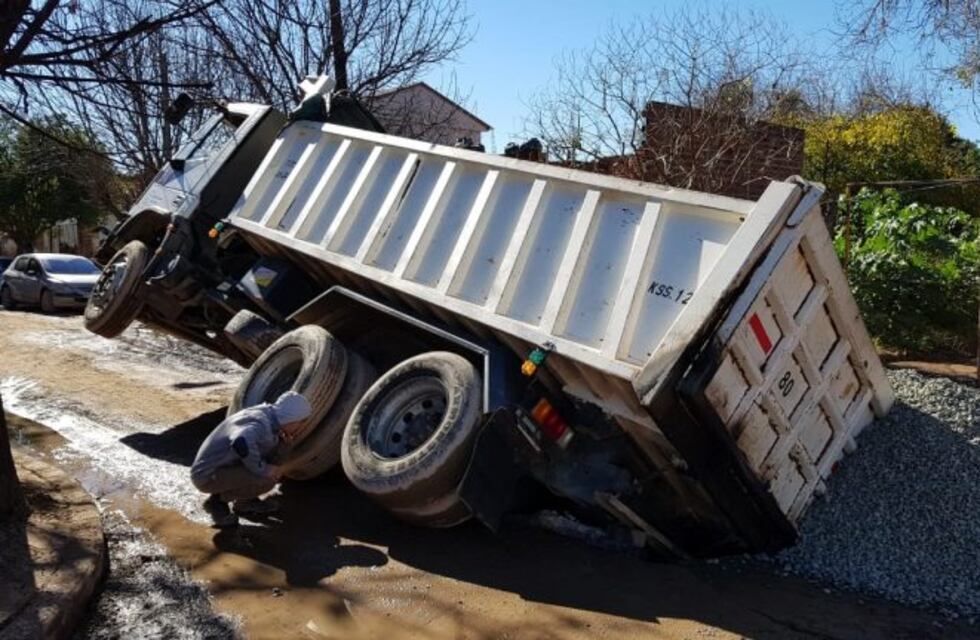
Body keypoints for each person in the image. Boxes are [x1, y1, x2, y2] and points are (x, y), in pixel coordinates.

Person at [191, 391, 312, 527]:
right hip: (207, 475)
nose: (302, 426)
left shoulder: (270, 418)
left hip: (225, 468)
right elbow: (240, 442)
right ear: (291, 418)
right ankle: (217, 502)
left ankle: (244, 502)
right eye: (301, 422)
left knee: (275, 461)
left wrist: (285, 446)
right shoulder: (259, 423)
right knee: (267, 478)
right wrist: (262, 469)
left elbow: (269, 455)